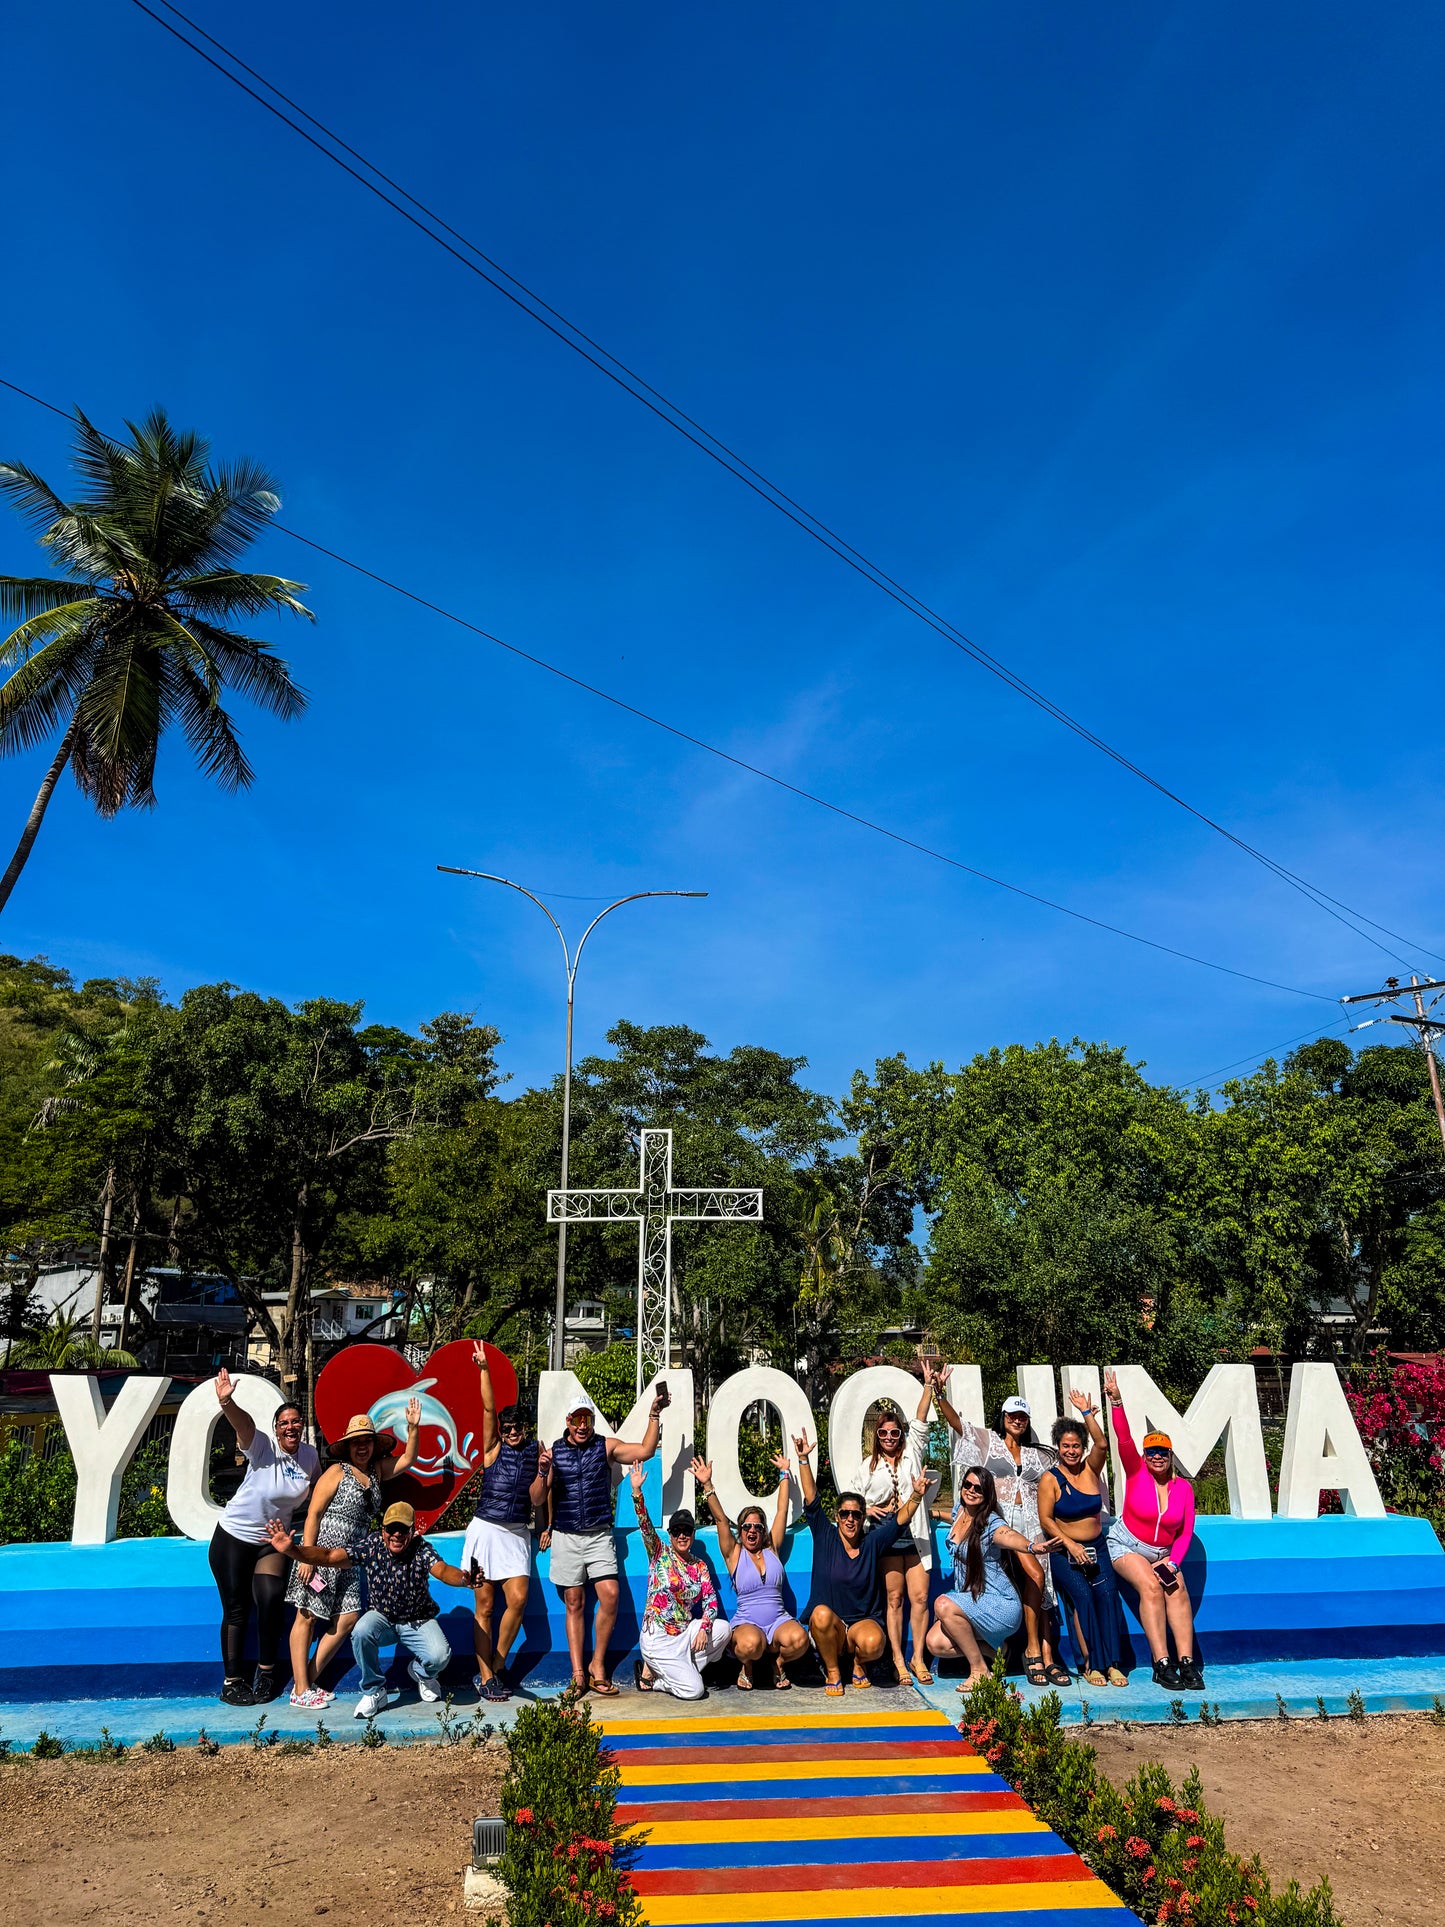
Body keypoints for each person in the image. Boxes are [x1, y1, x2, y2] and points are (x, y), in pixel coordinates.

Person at [263, 1500, 481, 1718]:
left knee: (440, 1656)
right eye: (391, 1529)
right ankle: (374, 1690)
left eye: (403, 1529)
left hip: (417, 1620)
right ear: (382, 1530)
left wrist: (464, 1579)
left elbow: (442, 1571)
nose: (396, 1534)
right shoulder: (371, 1545)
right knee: (360, 1630)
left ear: (412, 1531)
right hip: (383, 1620)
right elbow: (330, 1557)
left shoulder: (421, 1549)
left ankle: (421, 1673)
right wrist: (293, 1550)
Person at [927, 1361, 1067, 1686]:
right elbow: (959, 1426)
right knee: (1025, 1576)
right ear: (1003, 1418)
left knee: (1039, 1578)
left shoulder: (1038, 1455)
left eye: (1022, 1416)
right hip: (996, 1520)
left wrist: (1041, 1539)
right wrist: (939, 1395)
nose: (1016, 1421)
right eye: (1011, 1415)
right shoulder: (990, 1443)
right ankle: (1002, 1651)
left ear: (1027, 1420)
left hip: (1029, 1523)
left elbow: (1069, 1466)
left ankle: (1040, 1653)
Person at [284, 1401, 422, 1710]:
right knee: (306, 1616)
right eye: (356, 1442)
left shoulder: (376, 1472)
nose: (362, 1447)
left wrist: (413, 1428)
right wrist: (307, 1556)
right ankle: (302, 1689)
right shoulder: (336, 1471)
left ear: (374, 1444)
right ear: (348, 1447)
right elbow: (313, 1514)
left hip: (351, 1557)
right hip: (322, 1553)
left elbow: (408, 1459)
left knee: (347, 1620)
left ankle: (304, 1681)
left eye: (367, 1441)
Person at [207, 1368, 321, 1706]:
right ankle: (231, 1682)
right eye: (284, 1422)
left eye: (295, 1422)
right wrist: (228, 1401)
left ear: (302, 1426)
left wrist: (310, 1533)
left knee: (271, 1600)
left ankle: (267, 1672)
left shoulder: (310, 1457)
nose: (290, 1427)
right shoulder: (262, 1447)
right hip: (233, 1537)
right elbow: (242, 1425)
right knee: (237, 1608)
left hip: (272, 1542)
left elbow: (316, 1495)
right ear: (276, 1429)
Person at [541, 1387, 664, 1697]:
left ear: (593, 1422)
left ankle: (598, 1666)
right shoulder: (553, 1453)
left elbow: (646, 1450)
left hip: (598, 1535)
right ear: (568, 1421)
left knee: (610, 1595)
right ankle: (578, 1674)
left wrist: (653, 1414)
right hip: (566, 1535)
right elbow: (541, 1497)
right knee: (574, 1602)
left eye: (588, 1419)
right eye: (577, 1419)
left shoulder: (605, 1447)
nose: (583, 1425)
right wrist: (546, 1523)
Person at [792, 1427, 929, 1696]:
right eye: (845, 1514)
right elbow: (811, 1499)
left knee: (875, 1642)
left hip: (861, 1625)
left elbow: (901, 1520)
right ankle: (833, 1671)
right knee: (819, 1614)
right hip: (831, 1627)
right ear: (837, 1516)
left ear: (861, 1518)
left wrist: (916, 1495)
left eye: (856, 1514)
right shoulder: (825, 1535)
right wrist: (803, 1460)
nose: (850, 1519)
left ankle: (857, 1664)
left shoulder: (872, 1543)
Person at [461, 1345, 551, 1703]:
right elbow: (487, 1408)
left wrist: (545, 1522)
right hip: (485, 1530)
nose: (512, 1432)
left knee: (518, 1599)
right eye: (507, 1427)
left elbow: (539, 1497)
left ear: (525, 1428)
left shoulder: (535, 1451)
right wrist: (484, 1369)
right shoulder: (492, 1448)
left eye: (517, 1427)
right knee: (484, 1606)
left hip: (516, 1533)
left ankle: (497, 1664)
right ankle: (485, 1677)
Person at [1103, 1369, 1202, 1691]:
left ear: (1171, 1456)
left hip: (1162, 1553)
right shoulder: (1136, 1473)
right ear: (1144, 1456)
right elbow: (1123, 1438)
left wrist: (1173, 1563)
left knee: (1178, 1588)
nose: (1157, 1457)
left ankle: (1186, 1662)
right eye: (1152, 1452)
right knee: (1149, 1586)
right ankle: (1161, 1662)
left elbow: (1185, 1532)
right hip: (1127, 1544)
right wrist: (1116, 1402)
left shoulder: (1184, 1489)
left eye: (1163, 1452)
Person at [927, 1466, 1058, 1690]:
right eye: (967, 1485)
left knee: (942, 1604)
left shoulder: (990, 1523)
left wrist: (1032, 1546)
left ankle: (979, 1670)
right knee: (935, 1643)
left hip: (999, 1604)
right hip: (973, 1600)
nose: (971, 1490)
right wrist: (937, 1514)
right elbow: (955, 1516)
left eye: (978, 1488)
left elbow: (1008, 1535)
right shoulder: (960, 1511)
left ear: (987, 1495)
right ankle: (995, 1650)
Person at [1036, 1391, 1131, 1688]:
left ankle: (1113, 1664)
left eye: (1076, 1445)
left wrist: (1086, 1413)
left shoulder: (1091, 1469)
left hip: (1097, 1547)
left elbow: (1102, 1443)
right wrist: (1071, 1545)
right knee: (1084, 1599)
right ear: (1058, 1447)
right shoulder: (1050, 1479)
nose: (1072, 1451)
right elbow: (1046, 1520)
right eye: (1066, 1446)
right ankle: (1091, 1664)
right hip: (1065, 1552)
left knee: (1107, 1597)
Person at [690, 1450, 809, 1689]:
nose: (752, 1531)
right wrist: (707, 1484)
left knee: (800, 1640)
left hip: (778, 1621)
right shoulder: (734, 1554)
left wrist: (785, 1473)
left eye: (757, 1526)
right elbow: (721, 1520)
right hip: (747, 1624)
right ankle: (748, 1666)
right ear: (741, 1530)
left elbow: (782, 1512)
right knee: (750, 1645)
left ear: (763, 1531)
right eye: (746, 1526)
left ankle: (778, 1663)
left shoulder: (772, 1548)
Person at [856, 1382, 941, 1686]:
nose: (890, 1438)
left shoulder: (912, 1455)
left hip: (916, 1537)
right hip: (886, 1539)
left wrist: (929, 1386)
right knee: (895, 1599)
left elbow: (920, 1421)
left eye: (894, 1433)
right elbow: (851, 1500)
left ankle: (917, 1657)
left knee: (919, 1598)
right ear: (876, 1437)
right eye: (883, 1433)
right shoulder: (868, 1466)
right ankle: (897, 1659)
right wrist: (866, 1509)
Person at [627, 1462, 730, 1698]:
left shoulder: (699, 1566)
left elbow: (711, 1601)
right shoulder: (659, 1552)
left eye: (687, 1530)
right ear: (670, 1534)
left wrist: (704, 1628)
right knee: (695, 1691)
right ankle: (658, 1680)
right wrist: (636, 1493)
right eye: (677, 1531)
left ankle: (669, 1671)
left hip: (685, 1633)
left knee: (723, 1629)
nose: (682, 1535)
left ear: (693, 1534)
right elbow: (645, 1526)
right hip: (659, 1638)